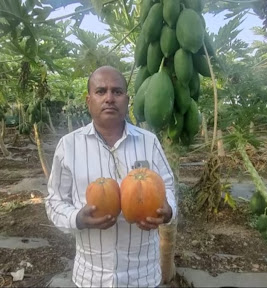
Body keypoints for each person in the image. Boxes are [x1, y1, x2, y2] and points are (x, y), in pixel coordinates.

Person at [45, 66, 177, 288]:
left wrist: (168, 211)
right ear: (89, 100)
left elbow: (169, 188)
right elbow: (54, 200)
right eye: (100, 91)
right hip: (91, 277)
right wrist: (77, 218)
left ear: (127, 100)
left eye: (117, 92)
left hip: (142, 276)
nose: (109, 98)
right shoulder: (68, 145)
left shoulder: (149, 142)